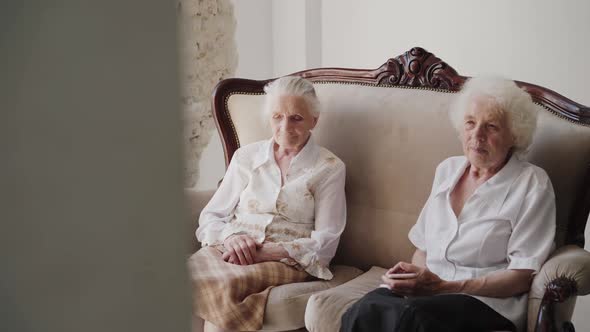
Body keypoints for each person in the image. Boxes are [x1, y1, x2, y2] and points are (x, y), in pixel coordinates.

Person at [341, 77, 556, 332]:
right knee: (363, 310)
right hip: (428, 295)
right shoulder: (448, 170)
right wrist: (415, 278)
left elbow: (522, 276)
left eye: (492, 127)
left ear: (514, 136)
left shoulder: (532, 184)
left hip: (485, 301)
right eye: (470, 123)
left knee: (412, 318)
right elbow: (422, 249)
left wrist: (444, 287)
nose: (477, 135)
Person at [188, 76, 346, 332]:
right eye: (277, 117)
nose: (285, 127)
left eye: (296, 118)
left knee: (226, 286)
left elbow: (327, 242)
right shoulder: (246, 157)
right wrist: (231, 237)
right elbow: (211, 216)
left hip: (284, 259)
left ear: (313, 121)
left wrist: (267, 252)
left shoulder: (329, 168)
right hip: (229, 248)